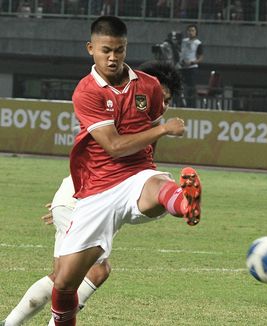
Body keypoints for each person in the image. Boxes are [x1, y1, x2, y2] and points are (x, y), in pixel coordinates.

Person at [1, 59, 185, 326]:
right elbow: (111, 153)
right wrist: (72, 200)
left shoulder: (146, 124)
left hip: (86, 198)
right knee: (95, 271)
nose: (163, 105)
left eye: (168, 101)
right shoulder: (119, 110)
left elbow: (134, 171)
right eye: (161, 97)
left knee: (61, 277)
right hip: (85, 197)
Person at [48, 16, 201, 326]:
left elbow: (149, 133)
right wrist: (165, 130)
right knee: (64, 284)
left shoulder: (149, 86)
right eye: (106, 50)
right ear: (91, 49)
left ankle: (185, 202)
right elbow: (115, 146)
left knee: (158, 183)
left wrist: (150, 167)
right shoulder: (87, 91)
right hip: (98, 190)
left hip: (137, 176)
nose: (113, 58)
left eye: (119, 50)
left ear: (126, 48)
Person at [178, 24, 203, 108]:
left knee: (191, 88)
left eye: (193, 30)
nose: (191, 32)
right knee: (180, 87)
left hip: (192, 68)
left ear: (196, 32)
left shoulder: (198, 43)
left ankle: (191, 106)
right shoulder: (184, 41)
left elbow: (200, 58)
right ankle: (180, 104)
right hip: (182, 67)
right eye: (189, 30)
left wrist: (192, 62)